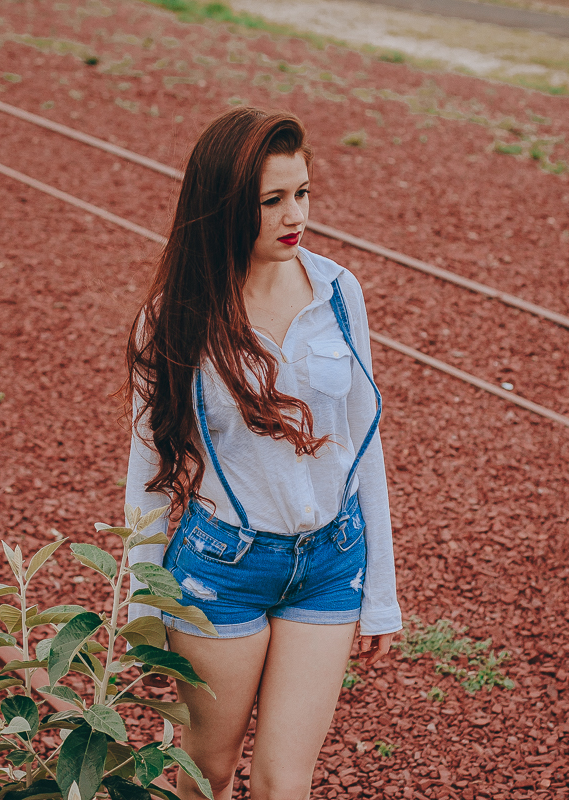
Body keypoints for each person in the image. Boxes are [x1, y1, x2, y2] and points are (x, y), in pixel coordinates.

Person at [121, 106, 403, 800]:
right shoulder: (173, 319)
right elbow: (149, 472)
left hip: (331, 564)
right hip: (223, 571)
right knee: (208, 772)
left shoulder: (338, 293)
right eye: (271, 200)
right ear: (222, 206)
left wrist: (382, 594)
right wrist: (143, 605)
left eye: (302, 192)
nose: (294, 215)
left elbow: (363, 445)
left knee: (284, 783)